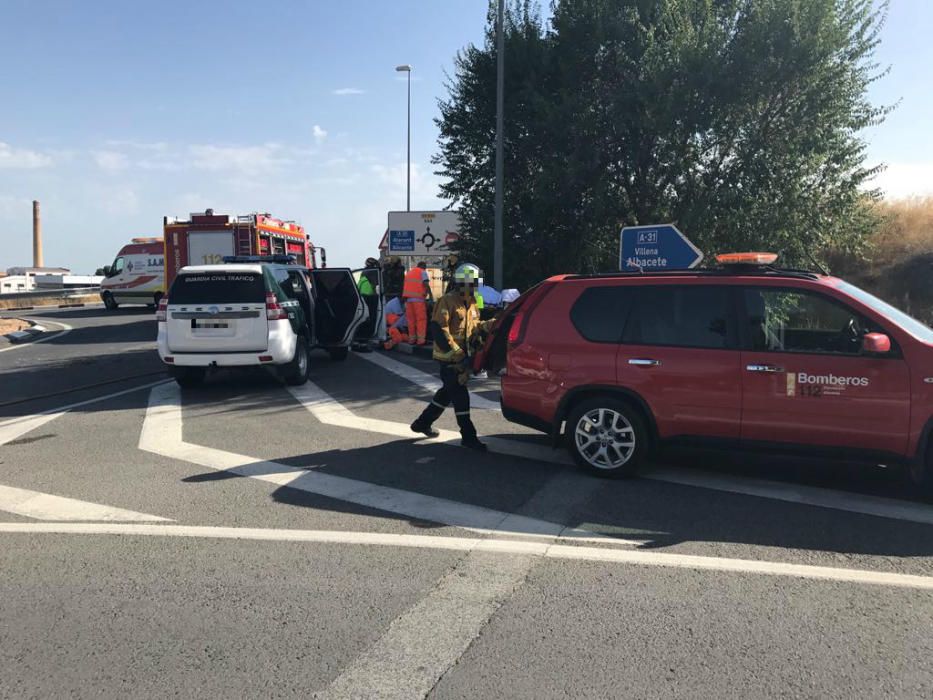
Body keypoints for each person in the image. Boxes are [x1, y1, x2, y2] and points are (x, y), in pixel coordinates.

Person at [410, 263, 493, 451]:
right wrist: (457, 354)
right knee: (460, 396)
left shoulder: (472, 302)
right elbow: (439, 329)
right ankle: (468, 436)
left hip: (463, 358)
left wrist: (491, 325)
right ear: (463, 283)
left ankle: (422, 423)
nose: (476, 287)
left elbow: (475, 326)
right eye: (473, 283)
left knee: (447, 393)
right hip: (449, 359)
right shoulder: (447, 301)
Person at [402, 261, 432, 345]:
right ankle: (421, 340)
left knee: (411, 320)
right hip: (418, 300)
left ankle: (412, 339)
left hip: (408, 301)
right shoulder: (422, 272)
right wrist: (431, 296)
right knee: (421, 320)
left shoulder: (409, 273)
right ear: (423, 266)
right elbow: (426, 284)